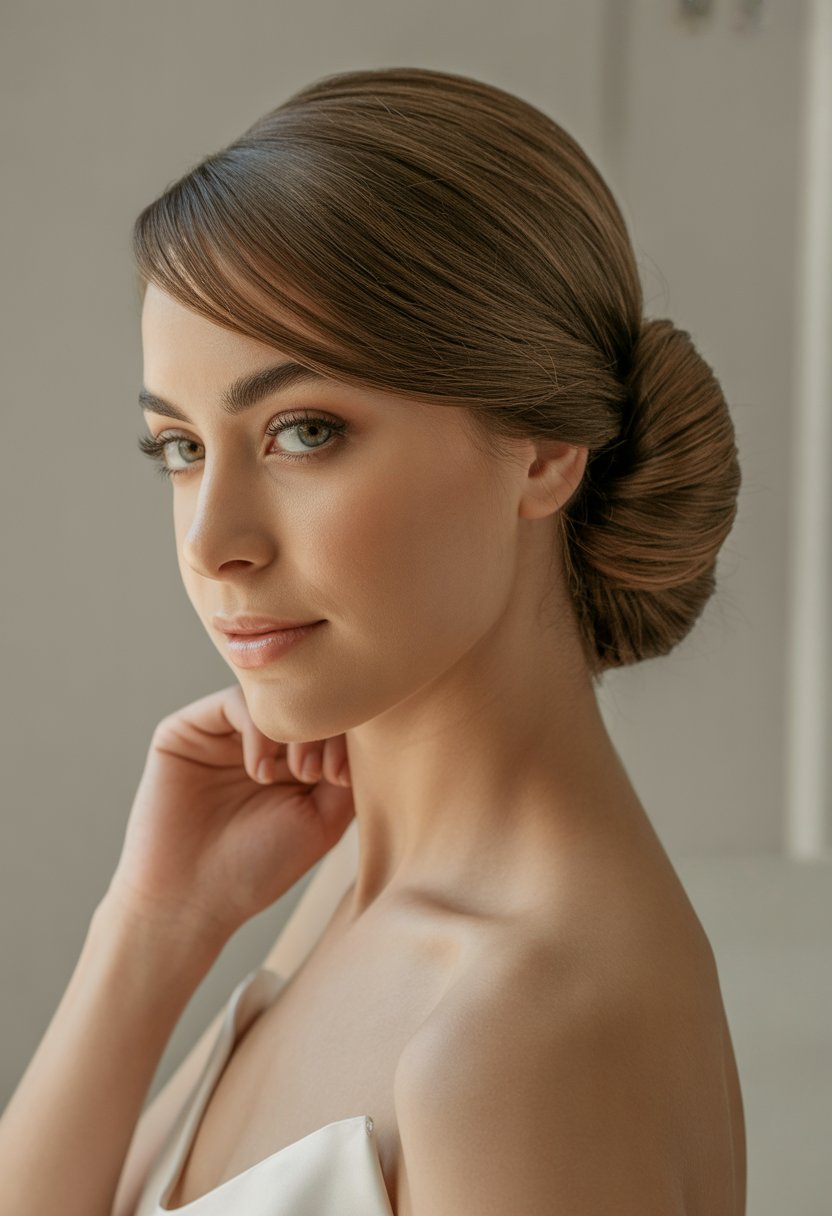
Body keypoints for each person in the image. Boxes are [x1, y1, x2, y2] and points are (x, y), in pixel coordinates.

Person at [0, 66, 746, 1216]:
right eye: (181, 447)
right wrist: (150, 930)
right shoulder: (353, 887)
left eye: (304, 430)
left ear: (543, 446)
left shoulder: (525, 1036)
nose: (213, 542)